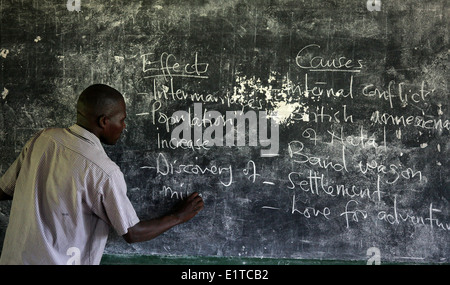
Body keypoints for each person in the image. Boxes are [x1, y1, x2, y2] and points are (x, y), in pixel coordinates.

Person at [0, 84, 204, 265]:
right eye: (122, 120)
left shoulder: (43, 139)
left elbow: (4, 190)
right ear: (104, 121)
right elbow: (132, 232)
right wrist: (179, 216)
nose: (124, 126)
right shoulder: (103, 171)